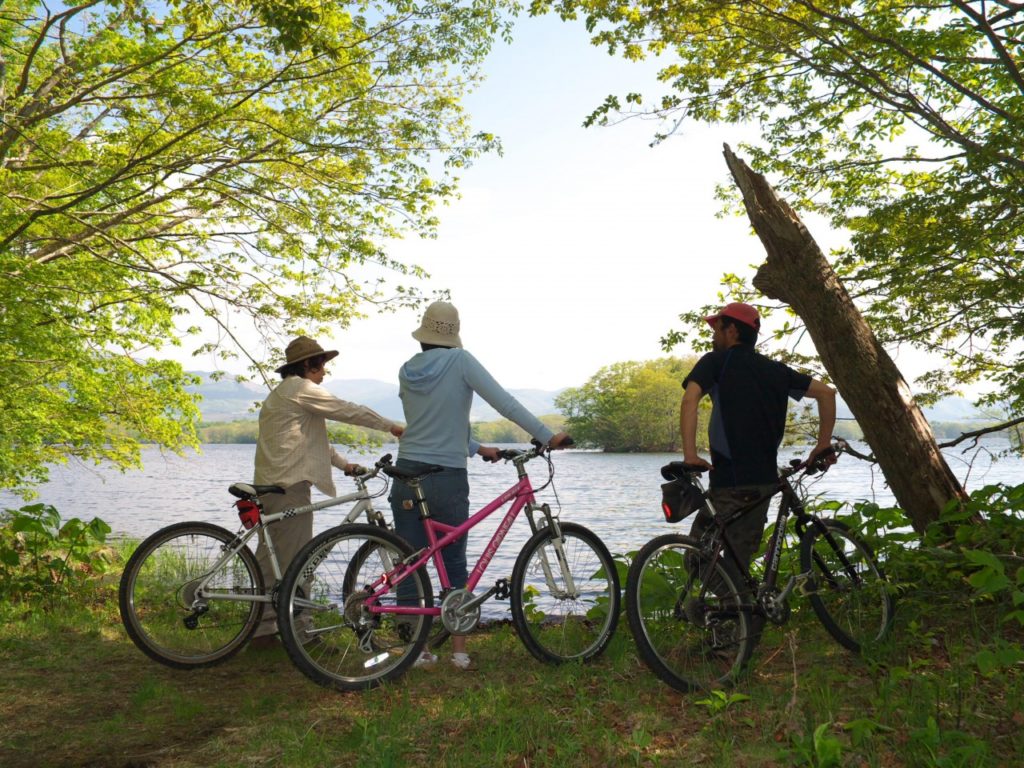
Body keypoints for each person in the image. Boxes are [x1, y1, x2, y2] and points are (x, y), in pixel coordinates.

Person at [390, 300, 571, 670]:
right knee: (454, 560)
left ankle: (416, 652)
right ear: (453, 334)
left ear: (424, 336)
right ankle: (458, 652)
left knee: (411, 562)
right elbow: (504, 402)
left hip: (406, 472)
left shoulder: (407, 370)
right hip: (445, 477)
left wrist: (477, 448)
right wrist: (546, 435)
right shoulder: (461, 361)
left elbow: (428, 425)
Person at [251, 335, 404, 647]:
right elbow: (346, 410)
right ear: (306, 365)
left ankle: (263, 631)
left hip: (272, 485)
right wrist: (392, 426)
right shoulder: (301, 389)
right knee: (298, 562)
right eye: (320, 364)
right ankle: (301, 635)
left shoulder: (281, 393)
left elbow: (311, 440)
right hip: (289, 487)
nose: (324, 372)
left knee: (271, 564)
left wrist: (345, 466)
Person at [680, 302, 836, 596]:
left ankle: (740, 620)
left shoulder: (716, 362)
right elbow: (826, 394)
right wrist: (822, 443)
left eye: (718, 328)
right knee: (736, 563)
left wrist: (690, 455)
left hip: (729, 483)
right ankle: (744, 614)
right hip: (764, 484)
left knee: (697, 560)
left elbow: (690, 400)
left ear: (732, 330)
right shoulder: (775, 370)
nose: (714, 334)